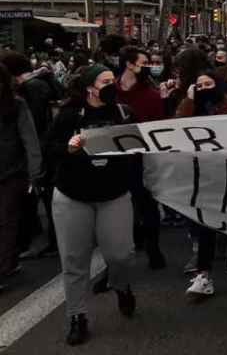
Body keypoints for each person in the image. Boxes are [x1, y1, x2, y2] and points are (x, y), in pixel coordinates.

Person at [44, 64, 138, 345]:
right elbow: (49, 147)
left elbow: (140, 149)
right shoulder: (69, 115)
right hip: (72, 197)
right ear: (89, 87)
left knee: (121, 254)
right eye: (104, 80)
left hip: (114, 195)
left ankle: (121, 286)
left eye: (113, 79)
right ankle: (77, 316)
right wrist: (68, 148)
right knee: (74, 261)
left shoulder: (124, 113)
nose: (111, 84)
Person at [178, 72, 227, 299]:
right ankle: (204, 275)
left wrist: (222, 100)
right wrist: (189, 100)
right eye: (199, 85)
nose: (204, 88)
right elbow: (177, 126)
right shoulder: (191, 105)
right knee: (205, 222)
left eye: (209, 84)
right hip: (200, 174)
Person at [115, 46, 166, 270]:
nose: (149, 67)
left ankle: (153, 248)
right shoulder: (110, 91)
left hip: (142, 158)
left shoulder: (151, 95)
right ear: (129, 64)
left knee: (147, 204)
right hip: (114, 160)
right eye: (144, 62)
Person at [0, 63, 42, 291]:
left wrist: (34, 174)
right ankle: (8, 262)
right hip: (11, 169)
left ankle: (4, 267)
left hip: (12, 172)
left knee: (7, 221)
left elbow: (30, 140)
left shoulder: (16, 105)